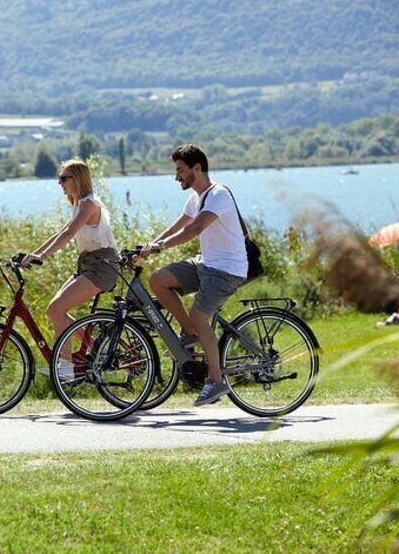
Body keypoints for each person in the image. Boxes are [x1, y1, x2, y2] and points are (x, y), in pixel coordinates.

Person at [139, 144, 247, 406]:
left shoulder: (218, 195)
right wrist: (147, 248)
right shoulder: (195, 198)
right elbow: (178, 225)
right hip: (206, 265)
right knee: (158, 280)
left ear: (196, 168)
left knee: (200, 317)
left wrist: (161, 247)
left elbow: (196, 228)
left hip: (226, 269)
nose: (176, 177)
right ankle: (189, 332)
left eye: (180, 170)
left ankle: (216, 381)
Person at [21, 159, 119, 380]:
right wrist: (32, 255)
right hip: (89, 264)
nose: (60, 183)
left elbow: (69, 233)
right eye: (59, 178)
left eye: (64, 178)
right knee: (53, 311)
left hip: (101, 266)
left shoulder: (89, 204)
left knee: (57, 309)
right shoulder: (79, 205)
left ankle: (66, 368)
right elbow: (61, 232)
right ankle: (95, 349)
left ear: (78, 179)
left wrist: (42, 256)